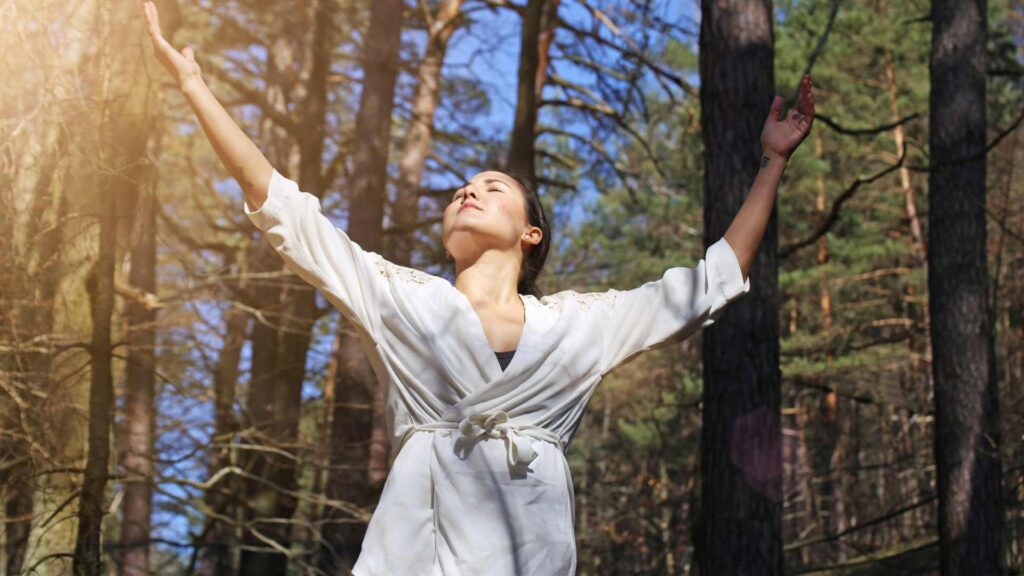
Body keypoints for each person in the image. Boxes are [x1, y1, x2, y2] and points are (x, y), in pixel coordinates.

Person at [143, 2, 815, 574]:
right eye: (462, 187)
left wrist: (772, 162)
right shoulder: (404, 298)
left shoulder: (580, 325)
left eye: (494, 188)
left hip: (530, 550)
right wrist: (196, 87)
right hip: (414, 550)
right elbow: (282, 208)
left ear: (531, 235)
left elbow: (713, 280)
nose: (469, 189)